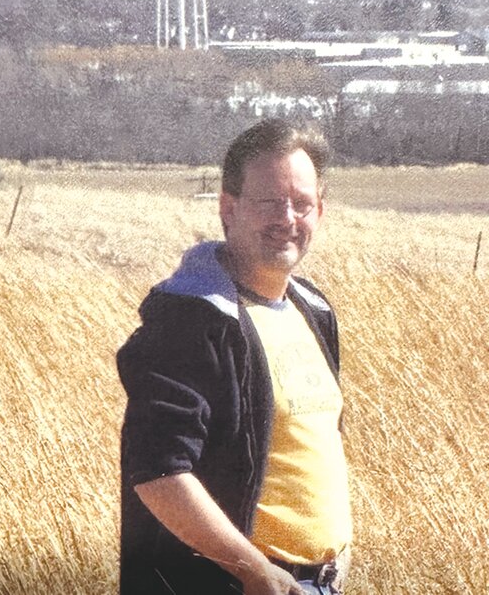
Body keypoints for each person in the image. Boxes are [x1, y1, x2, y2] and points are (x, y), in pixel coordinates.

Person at [117, 119, 352, 594]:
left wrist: (334, 555)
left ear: (320, 212)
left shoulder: (313, 310)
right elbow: (160, 472)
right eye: (269, 202)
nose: (287, 218)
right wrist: (252, 570)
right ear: (229, 209)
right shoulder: (192, 320)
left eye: (302, 204)